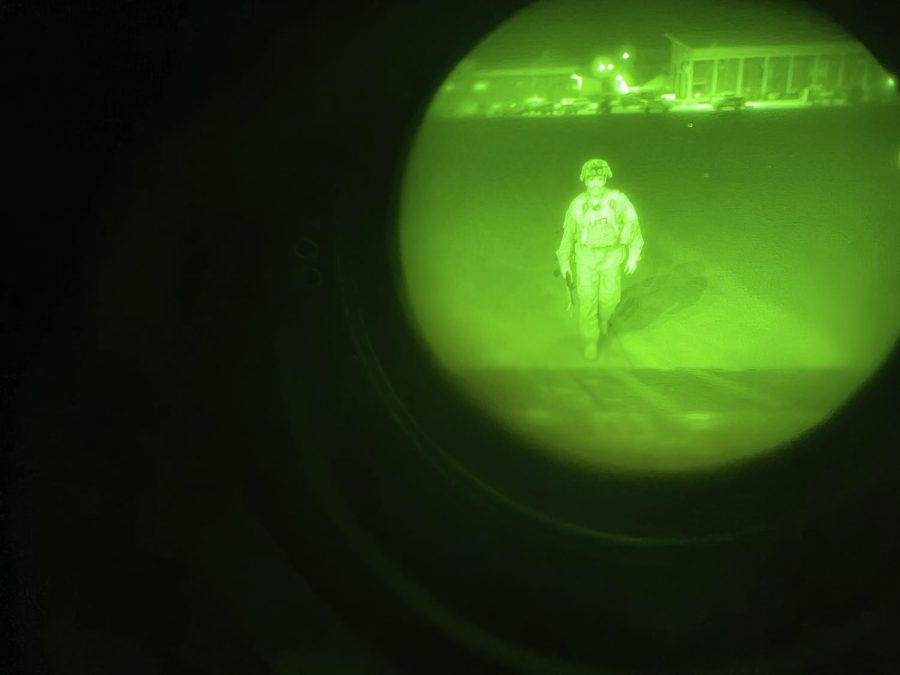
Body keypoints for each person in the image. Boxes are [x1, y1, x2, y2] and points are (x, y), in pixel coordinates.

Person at [556, 158, 643, 360]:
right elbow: (568, 236)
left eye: (599, 179)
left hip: (612, 256)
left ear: (604, 179)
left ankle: (604, 318)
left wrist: (633, 256)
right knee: (587, 299)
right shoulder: (577, 205)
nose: (595, 183)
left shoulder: (618, 201)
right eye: (591, 179)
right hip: (586, 257)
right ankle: (591, 340)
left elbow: (632, 226)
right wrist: (565, 264)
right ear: (585, 181)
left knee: (611, 297)